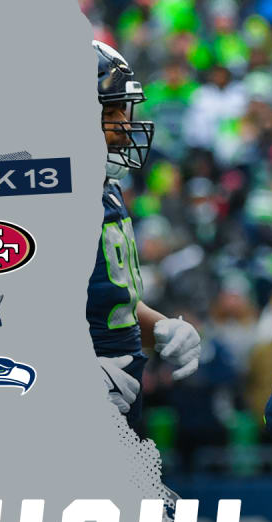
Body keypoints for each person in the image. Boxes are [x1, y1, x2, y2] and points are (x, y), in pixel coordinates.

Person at [91, 40, 202, 432]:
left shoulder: (104, 186)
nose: (123, 125)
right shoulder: (35, 199)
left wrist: (158, 327)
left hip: (120, 388)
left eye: (123, 108)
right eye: (110, 110)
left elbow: (106, 298)